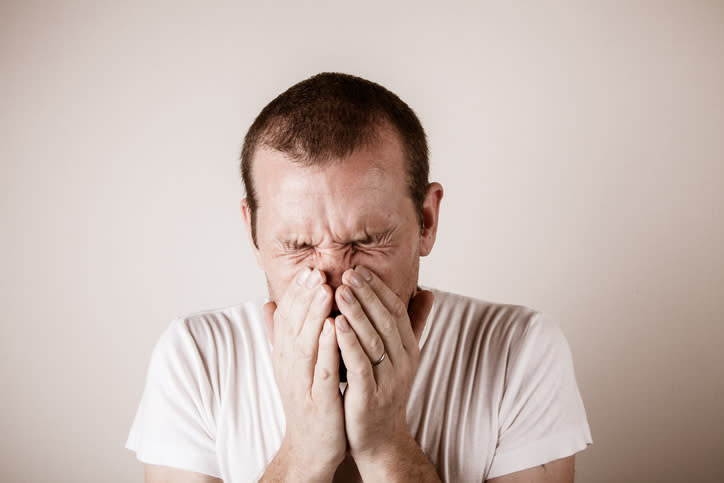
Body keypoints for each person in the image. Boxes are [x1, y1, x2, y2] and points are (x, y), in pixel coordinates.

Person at [126, 72, 592, 482]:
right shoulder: (195, 358)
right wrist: (304, 455)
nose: (332, 279)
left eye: (367, 239)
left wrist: (387, 446)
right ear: (252, 233)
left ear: (426, 221)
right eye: (298, 246)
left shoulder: (518, 350)